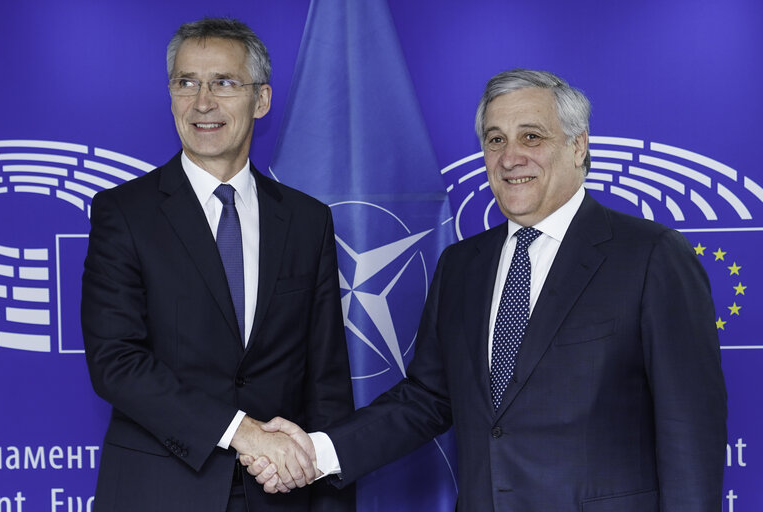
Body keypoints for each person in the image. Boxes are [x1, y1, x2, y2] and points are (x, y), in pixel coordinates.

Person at [245, 69, 727, 511]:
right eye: (495, 139)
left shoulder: (650, 256)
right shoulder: (461, 265)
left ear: (578, 146)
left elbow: (690, 434)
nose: (510, 157)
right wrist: (318, 451)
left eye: (531, 137)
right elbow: (426, 401)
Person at [81, 17, 354, 512]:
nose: (202, 102)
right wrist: (243, 433)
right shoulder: (124, 214)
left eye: (224, 83)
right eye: (186, 83)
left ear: (262, 100)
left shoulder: (307, 220)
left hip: (281, 496)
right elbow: (116, 363)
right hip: (158, 492)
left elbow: (326, 384)